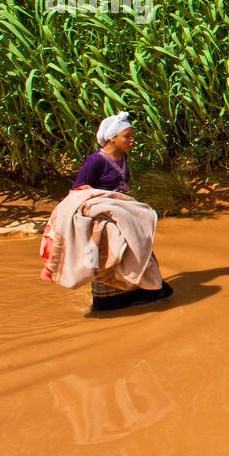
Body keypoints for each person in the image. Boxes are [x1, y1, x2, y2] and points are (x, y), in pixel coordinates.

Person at [74, 111, 174, 311]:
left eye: (132, 136)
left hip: (124, 213)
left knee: (141, 248)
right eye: (127, 136)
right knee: (107, 258)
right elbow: (79, 190)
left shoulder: (122, 157)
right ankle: (109, 302)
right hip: (104, 216)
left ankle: (146, 290)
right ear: (112, 138)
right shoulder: (94, 161)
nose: (131, 140)